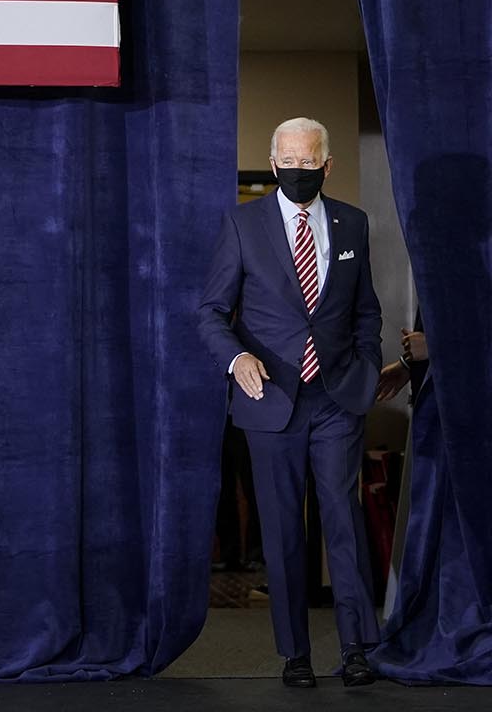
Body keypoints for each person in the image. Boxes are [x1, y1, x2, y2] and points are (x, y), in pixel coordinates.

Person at [196, 117, 383, 687]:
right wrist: (236, 359)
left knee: (342, 518)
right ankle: (294, 653)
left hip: (335, 395)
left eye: (308, 163)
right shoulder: (242, 222)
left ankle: (356, 648)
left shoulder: (353, 222)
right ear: (273, 161)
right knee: (281, 528)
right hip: (270, 398)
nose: (297, 172)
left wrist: (368, 368)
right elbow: (210, 313)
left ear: (326, 165)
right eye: (288, 162)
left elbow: (365, 310)